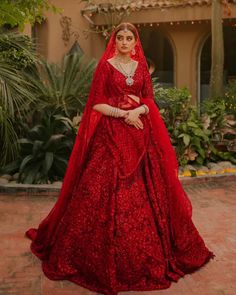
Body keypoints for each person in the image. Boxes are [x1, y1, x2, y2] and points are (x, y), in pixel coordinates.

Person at [25, 22, 214, 295]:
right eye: (121, 38)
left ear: (136, 42)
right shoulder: (106, 66)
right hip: (111, 136)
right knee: (100, 187)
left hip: (140, 135)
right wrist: (123, 114)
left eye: (129, 38)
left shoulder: (141, 68)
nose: (125, 42)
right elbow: (96, 103)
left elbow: (149, 100)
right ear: (115, 41)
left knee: (152, 188)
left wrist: (138, 111)